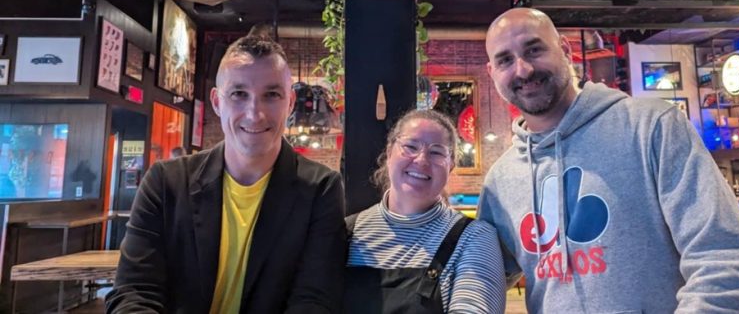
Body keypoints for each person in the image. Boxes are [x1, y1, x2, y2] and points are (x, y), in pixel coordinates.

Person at [478, 8, 739, 313]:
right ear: (492, 73)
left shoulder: (651, 127)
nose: (523, 70)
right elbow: (477, 276)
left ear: (565, 50)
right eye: (505, 60)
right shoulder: (502, 179)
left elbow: (726, 263)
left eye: (534, 49)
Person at [107, 35, 346, 313]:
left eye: (272, 95)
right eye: (239, 94)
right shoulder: (166, 182)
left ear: (290, 102)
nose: (254, 114)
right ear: (217, 102)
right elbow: (134, 291)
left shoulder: (321, 189)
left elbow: (314, 300)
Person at [344, 109, 506, 314]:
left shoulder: (473, 238)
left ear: (451, 165)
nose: (421, 160)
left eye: (437, 152)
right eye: (410, 147)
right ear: (389, 152)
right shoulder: (346, 233)